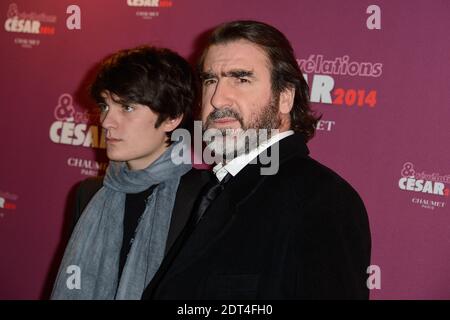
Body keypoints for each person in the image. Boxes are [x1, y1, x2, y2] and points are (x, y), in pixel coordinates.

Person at [142, 20, 372, 299]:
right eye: (210, 80)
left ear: (285, 97)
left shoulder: (322, 199)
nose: (217, 99)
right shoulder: (215, 187)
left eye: (241, 78)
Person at [51, 45, 209, 299]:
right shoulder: (89, 194)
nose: (105, 121)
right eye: (105, 106)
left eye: (126, 108)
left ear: (172, 118)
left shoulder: (205, 198)